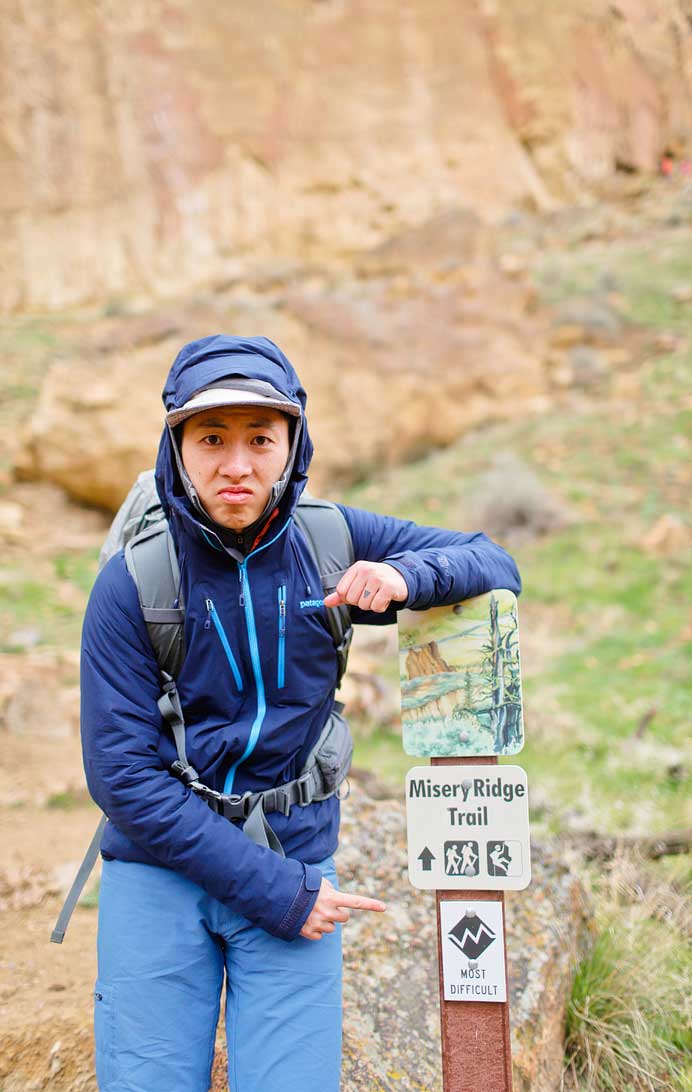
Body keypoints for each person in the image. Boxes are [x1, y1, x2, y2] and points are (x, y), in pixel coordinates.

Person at [80, 334, 521, 1092]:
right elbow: (124, 779)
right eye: (211, 439)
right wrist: (279, 893)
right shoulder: (132, 582)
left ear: (293, 443)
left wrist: (402, 575)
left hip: (296, 857)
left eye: (261, 438)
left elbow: (493, 560)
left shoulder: (329, 539)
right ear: (176, 446)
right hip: (167, 875)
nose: (238, 465)